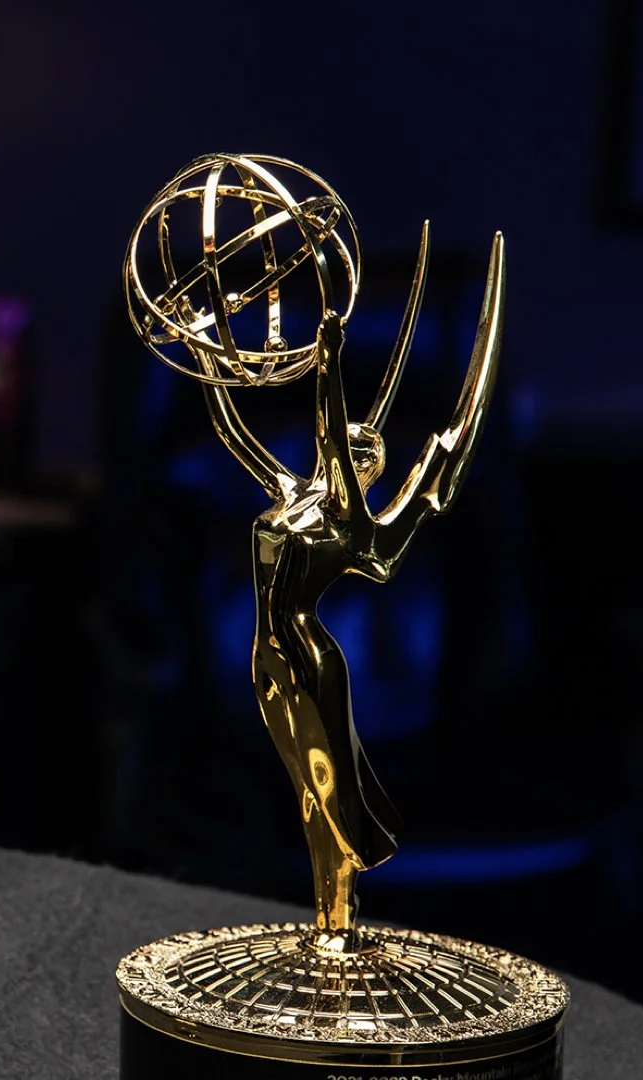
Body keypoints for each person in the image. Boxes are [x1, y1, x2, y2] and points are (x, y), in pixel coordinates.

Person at [198, 227, 502, 946]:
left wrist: (331, 364)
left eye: (366, 454)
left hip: (311, 657)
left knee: (330, 790)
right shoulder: (289, 497)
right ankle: (330, 918)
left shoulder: (359, 528)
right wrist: (209, 354)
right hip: (265, 656)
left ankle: (341, 916)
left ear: (369, 470)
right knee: (306, 795)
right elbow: (234, 432)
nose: (348, 451)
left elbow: (334, 439)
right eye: (352, 446)